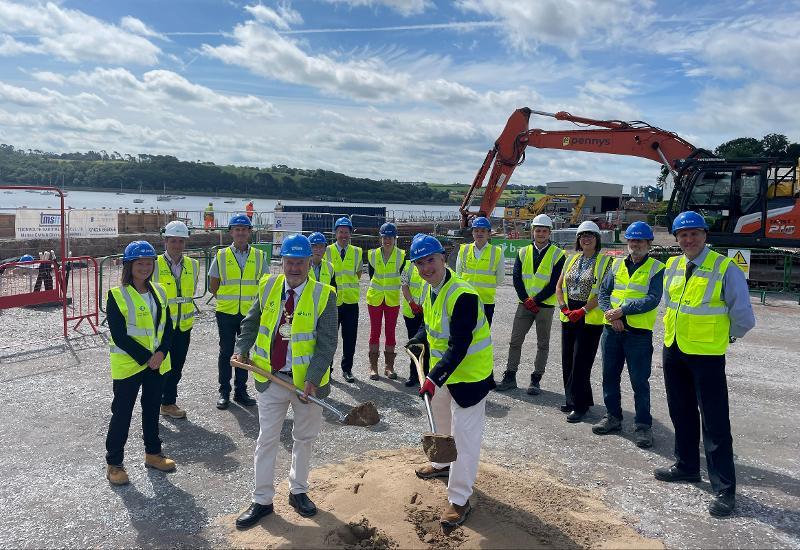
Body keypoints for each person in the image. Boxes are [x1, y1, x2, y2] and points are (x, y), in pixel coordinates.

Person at [232, 234, 338, 528]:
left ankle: (298, 491)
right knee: (266, 439)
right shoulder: (268, 286)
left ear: (309, 262)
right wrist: (242, 348)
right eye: (289, 262)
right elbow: (251, 322)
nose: (294, 267)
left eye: (299, 262)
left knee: (304, 440)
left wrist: (313, 379)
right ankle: (262, 500)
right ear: (283, 262)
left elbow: (328, 343)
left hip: (308, 386)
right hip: (271, 378)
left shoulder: (324, 294)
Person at [654, 211, 755, 517]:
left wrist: (726, 337)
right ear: (676, 239)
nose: (689, 239)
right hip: (674, 348)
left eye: (694, 233)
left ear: (705, 236)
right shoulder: (672, 265)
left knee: (714, 422)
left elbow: (744, 316)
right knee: (680, 411)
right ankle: (686, 466)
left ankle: (725, 489)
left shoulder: (724, 267)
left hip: (707, 355)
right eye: (683, 235)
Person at [406, 235, 494, 528]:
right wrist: (417, 340)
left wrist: (433, 377)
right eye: (419, 263)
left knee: (465, 440)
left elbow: (459, 345)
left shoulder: (463, 295)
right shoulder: (430, 288)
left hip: (469, 377)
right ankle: (441, 464)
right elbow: (429, 324)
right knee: (440, 422)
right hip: (443, 373)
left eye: (430, 260)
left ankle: (459, 499)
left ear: (443, 258)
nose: (425, 268)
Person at [104, 240, 176, 486]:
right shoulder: (117, 295)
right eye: (140, 263)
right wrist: (148, 357)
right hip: (130, 365)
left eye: (149, 263)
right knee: (122, 413)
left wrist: (162, 352)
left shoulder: (160, 291)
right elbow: (119, 334)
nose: (145, 267)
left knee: (152, 408)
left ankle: (153, 454)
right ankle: (114, 463)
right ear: (129, 265)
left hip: (157, 363)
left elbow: (168, 326)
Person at [594, 221, 664, 448]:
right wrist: (610, 315)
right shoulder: (615, 265)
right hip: (611, 331)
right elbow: (604, 293)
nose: (636, 244)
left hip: (638, 334)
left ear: (649, 243)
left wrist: (622, 312)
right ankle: (613, 417)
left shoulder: (656, 268)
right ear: (627, 242)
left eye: (640, 241)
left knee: (639, 381)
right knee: (609, 376)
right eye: (632, 240)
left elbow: (652, 300)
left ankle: (643, 426)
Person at [496, 214, 565, 394]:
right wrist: (526, 299)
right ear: (532, 232)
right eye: (538, 230)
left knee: (543, 344)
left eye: (544, 231)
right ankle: (510, 376)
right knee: (515, 341)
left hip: (545, 306)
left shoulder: (558, 255)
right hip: (524, 304)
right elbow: (517, 278)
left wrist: (535, 300)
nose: (541, 233)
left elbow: (554, 283)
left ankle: (536, 379)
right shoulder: (523, 252)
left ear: (549, 233)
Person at [208, 214, 268, 410]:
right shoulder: (221, 255)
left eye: (244, 229)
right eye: (237, 229)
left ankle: (240, 392)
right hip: (226, 312)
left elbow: (265, 285)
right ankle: (223, 392)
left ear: (249, 232)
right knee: (226, 352)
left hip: (249, 313)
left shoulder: (259, 256)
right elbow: (213, 286)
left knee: (243, 351)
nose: (241, 232)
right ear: (231, 232)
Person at [555, 220, 611, 423]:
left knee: (581, 363)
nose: (586, 238)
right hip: (569, 315)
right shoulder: (571, 259)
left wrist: (583, 310)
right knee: (568, 360)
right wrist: (563, 307)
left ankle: (580, 406)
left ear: (597, 239)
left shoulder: (606, 262)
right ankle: (573, 400)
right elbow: (559, 286)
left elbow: (605, 291)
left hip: (589, 319)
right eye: (582, 235)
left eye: (590, 235)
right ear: (578, 239)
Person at [152, 221, 199, 419]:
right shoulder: (154, 265)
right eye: (173, 241)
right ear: (165, 241)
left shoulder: (193, 265)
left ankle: (168, 402)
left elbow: (191, 292)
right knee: (157, 367)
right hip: (161, 327)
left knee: (176, 367)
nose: (177, 245)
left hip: (183, 326)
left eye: (181, 241)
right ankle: (153, 403)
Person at [324, 217, 363, 383]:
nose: (343, 235)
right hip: (332, 302)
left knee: (350, 338)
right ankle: (328, 369)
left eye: (346, 232)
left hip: (351, 302)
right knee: (329, 337)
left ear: (350, 234)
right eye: (340, 232)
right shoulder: (327, 251)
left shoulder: (357, 252)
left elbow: (359, 273)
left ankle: (347, 369)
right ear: (335, 233)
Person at [366, 222, 405, 380]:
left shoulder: (401, 255)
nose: (387, 240)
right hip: (375, 297)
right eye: (384, 237)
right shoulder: (372, 254)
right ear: (380, 238)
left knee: (390, 332)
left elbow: (401, 276)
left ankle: (389, 367)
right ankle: (373, 367)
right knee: (375, 332)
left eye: (390, 237)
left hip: (392, 299)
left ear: (395, 238)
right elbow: (371, 275)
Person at [455, 217, 504, 324]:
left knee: (483, 335)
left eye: (483, 230)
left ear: (489, 233)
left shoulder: (497, 252)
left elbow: (500, 278)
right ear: (472, 232)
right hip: (466, 299)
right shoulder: (464, 250)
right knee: (464, 334)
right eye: (476, 230)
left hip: (486, 301)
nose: (479, 233)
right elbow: (458, 274)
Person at [400, 233, 426, 387]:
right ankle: (414, 374)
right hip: (411, 312)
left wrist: (424, 306)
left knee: (427, 345)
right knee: (413, 344)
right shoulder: (408, 265)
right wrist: (411, 303)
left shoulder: (430, 264)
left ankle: (426, 375)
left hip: (426, 312)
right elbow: (404, 285)